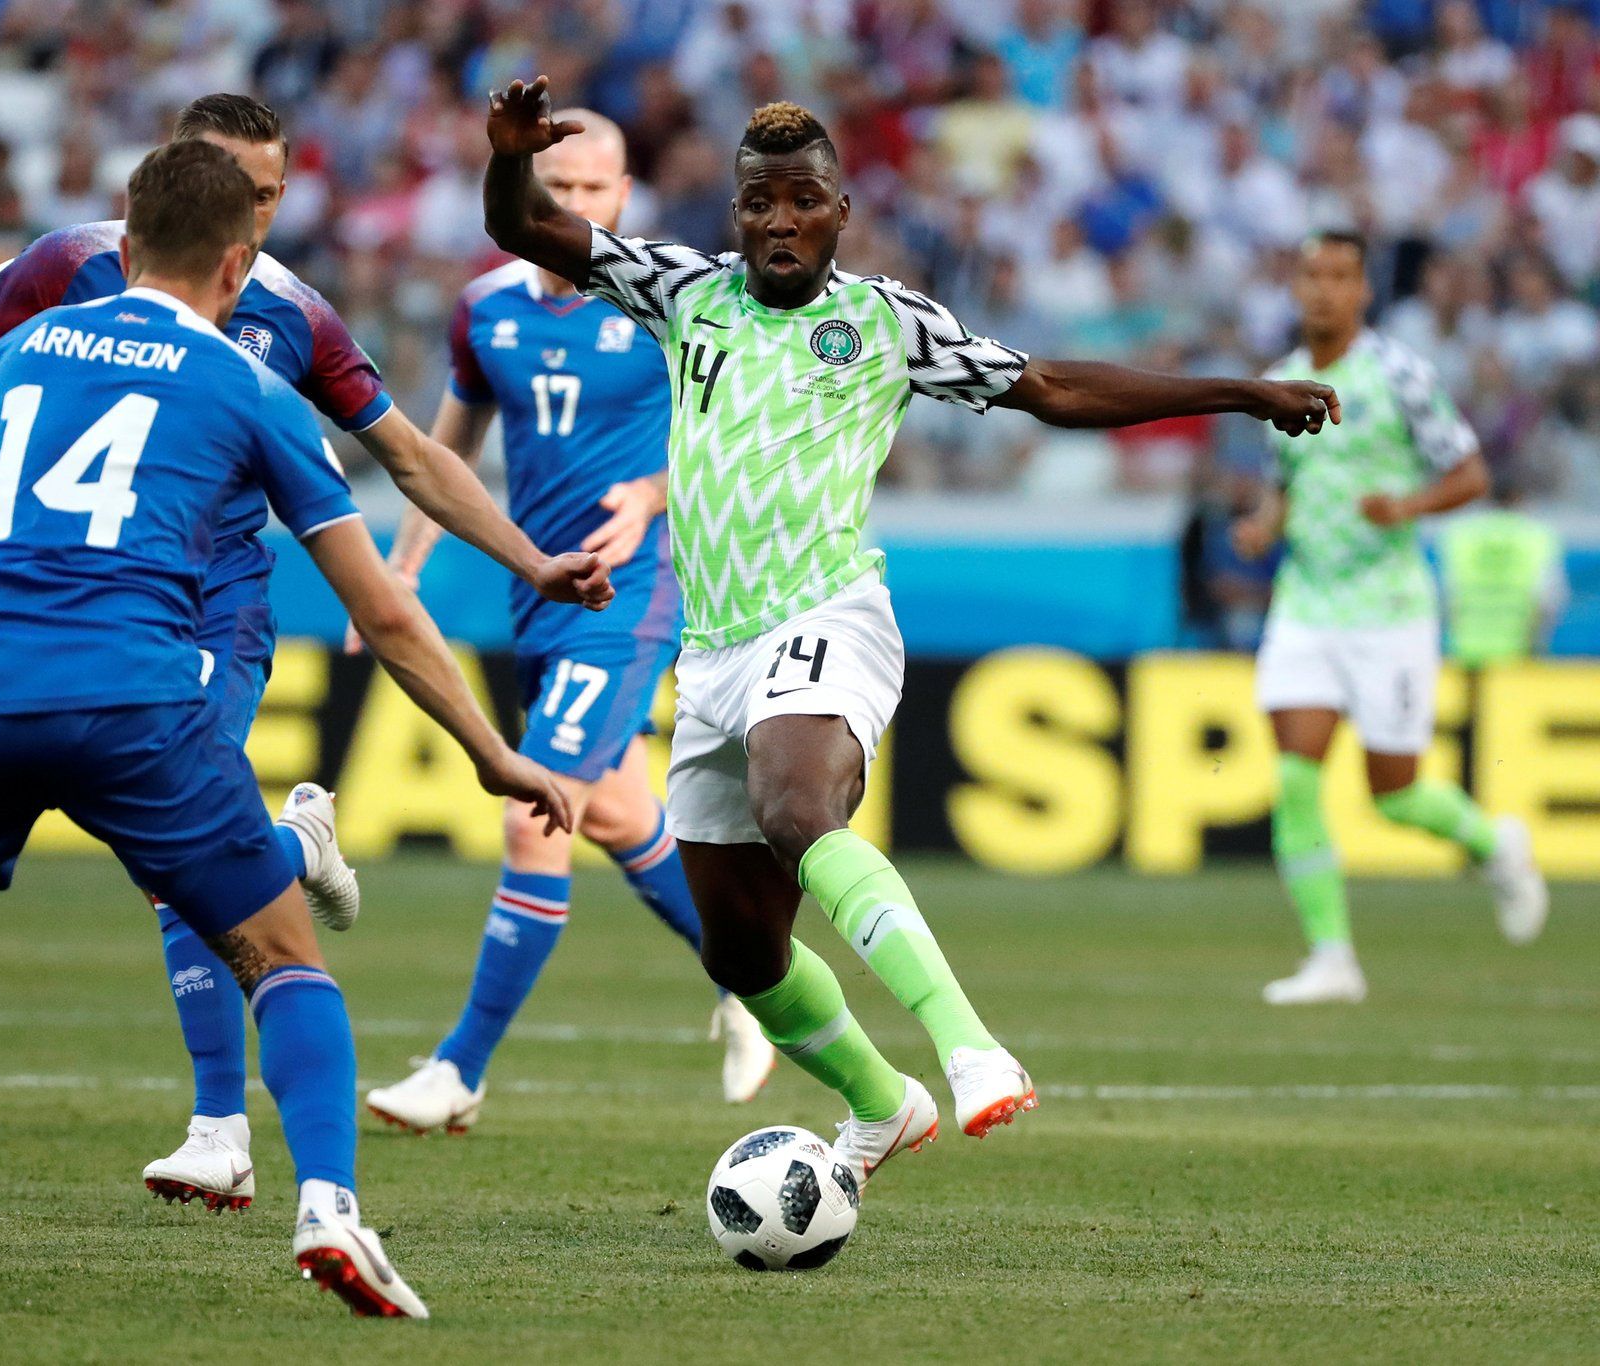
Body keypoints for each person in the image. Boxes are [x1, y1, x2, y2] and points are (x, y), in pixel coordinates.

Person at [0, 141, 578, 1319]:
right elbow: (382, 610)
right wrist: (491, 752)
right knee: (283, 954)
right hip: (134, 692)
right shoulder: (246, 383)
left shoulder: (17, 351)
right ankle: (328, 1207)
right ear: (236, 268)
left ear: (122, 246)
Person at [482, 79, 1343, 1188]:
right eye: (759, 202)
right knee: (741, 952)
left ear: (840, 212)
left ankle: (969, 1046)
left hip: (826, 611)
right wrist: (509, 156)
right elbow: (523, 225)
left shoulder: (888, 322)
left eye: (803, 201)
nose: (780, 220)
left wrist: (1238, 393)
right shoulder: (681, 290)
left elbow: (1049, 385)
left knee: (798, 808)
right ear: (735, 213)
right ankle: (882, 1104)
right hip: (713, 651)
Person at [0, 92, 610, 1213]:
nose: (254, 212)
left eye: (271, 193)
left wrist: (531, 560)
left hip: (212, 600)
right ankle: (287, 862)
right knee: (167, 860)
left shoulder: (289, 315)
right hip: (79, 598)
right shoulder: (68, 266)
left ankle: (218, 1127)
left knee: (170, 864)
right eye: (235, 186)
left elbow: (413, 458)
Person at [362, 112, 776, 1136]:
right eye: (561, 187)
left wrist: (655, 492)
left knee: (532, 809)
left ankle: (459, 1069)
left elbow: (751, 430)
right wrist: (402, 569)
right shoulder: (484, 310)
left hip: (632, 593)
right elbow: (443, 454)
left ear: (624, 196)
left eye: (596, 190)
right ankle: (758, 981)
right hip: (538, 598)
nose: (577, 206)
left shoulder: (672, 302)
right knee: (621, 816)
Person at [1233, 231, 1549, 1006]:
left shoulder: (1401, 374)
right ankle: (1332, 958)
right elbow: (1285, 482)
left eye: (1339, 276)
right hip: (1306, 603)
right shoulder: (1277, 385)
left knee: (1395, 793)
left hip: (1390, 608)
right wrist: (1265, 526)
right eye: (1311, 275)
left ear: (1364, 290)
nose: (1323, 289)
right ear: (1295, 286)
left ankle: (1495, 844)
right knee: (1295, 777)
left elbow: (1470, 473)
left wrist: (1405, 506)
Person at [1439, 481, 1568, 668]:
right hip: (1519, 652)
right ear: (1520, 499)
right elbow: (1548, 601)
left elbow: (1446, 595)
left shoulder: (1459, 534)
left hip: (1465, 653)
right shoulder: (1538, 536)